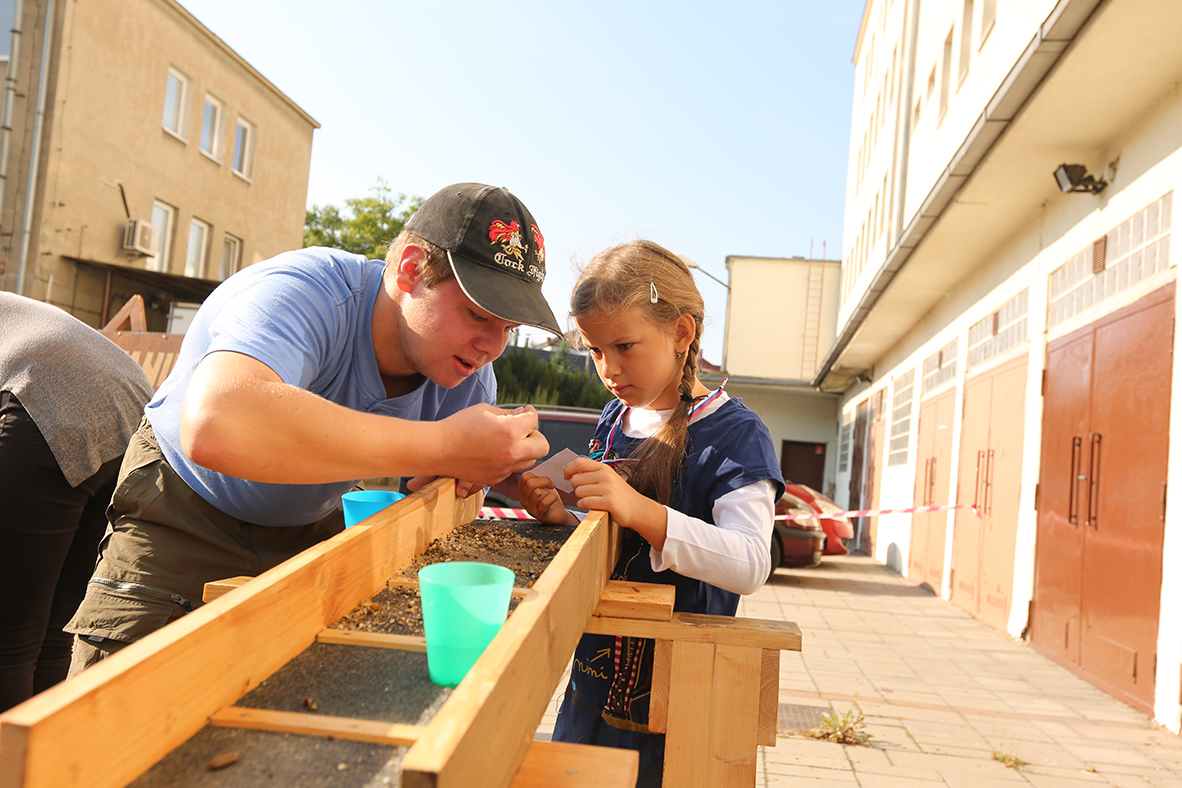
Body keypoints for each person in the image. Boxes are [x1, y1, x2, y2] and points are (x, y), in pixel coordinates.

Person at [65, 183, 558, 673]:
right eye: (477, 315)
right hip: (184, 509)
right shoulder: (306, 290)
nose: (493, 346)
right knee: (116, 696)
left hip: (312, 523)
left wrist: (497, 472)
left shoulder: (468, 375)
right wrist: (445, 446)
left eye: (508, 328)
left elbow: (437, 496)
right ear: (411, 270)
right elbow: (216, 424)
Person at [517, 239, 785, 786]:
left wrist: (639, 508)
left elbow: (750, 564)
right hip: (592, 685)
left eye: (624, 345)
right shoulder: (615, 417)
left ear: (682, 332)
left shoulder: (736, 432)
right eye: (595, 351)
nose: (609, 368)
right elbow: (620, 545)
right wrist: (564, 523)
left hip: (682, 697)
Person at [0, 294, 153, 712]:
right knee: (53, 636)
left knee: (8, 642)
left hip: (49, 397)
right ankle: (45, 750)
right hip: (136, 410)